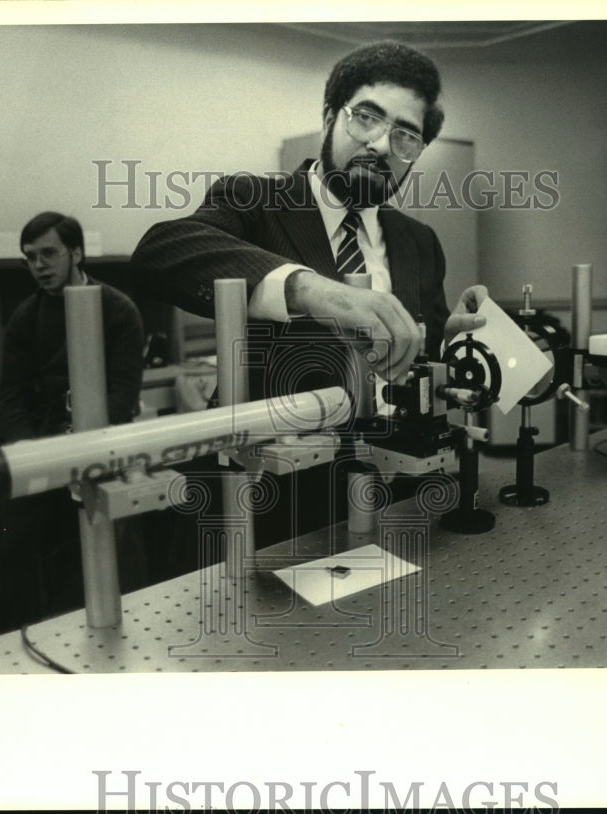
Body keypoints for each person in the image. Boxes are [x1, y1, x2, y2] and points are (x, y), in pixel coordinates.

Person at [130, 41, 488, 560]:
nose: (382, 144)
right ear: (329, 116)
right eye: (366, 118)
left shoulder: (419, 242)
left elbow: (416, 354)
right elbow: (159, 252)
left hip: (387, 499)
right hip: (267, 508)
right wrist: (310, 288)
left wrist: (449, 339)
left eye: (406, 136)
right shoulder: (255, 201)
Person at [0, 212, 145, 629]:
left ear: (76, 252)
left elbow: (122, 395)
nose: (38, 266)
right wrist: (31, 448)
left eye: (48, 253)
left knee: (105, 549)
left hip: (101, 447)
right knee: (13, 544)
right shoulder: (25, 317)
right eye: (29, 257)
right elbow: (13, 396)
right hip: (44, 451)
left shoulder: (119, 310)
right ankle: (27, 636)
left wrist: (76, 444)